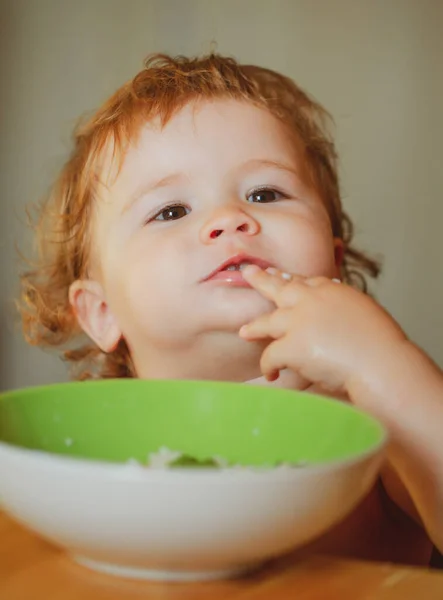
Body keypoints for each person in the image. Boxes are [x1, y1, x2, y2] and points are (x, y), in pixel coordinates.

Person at [20, 53, 443, 565]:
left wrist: (384, 363)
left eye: (266, 193)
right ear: (102, 311)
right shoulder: (90, 451)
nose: (229, 219)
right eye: (171, 210)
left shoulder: (374, 420)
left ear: (331, 264)